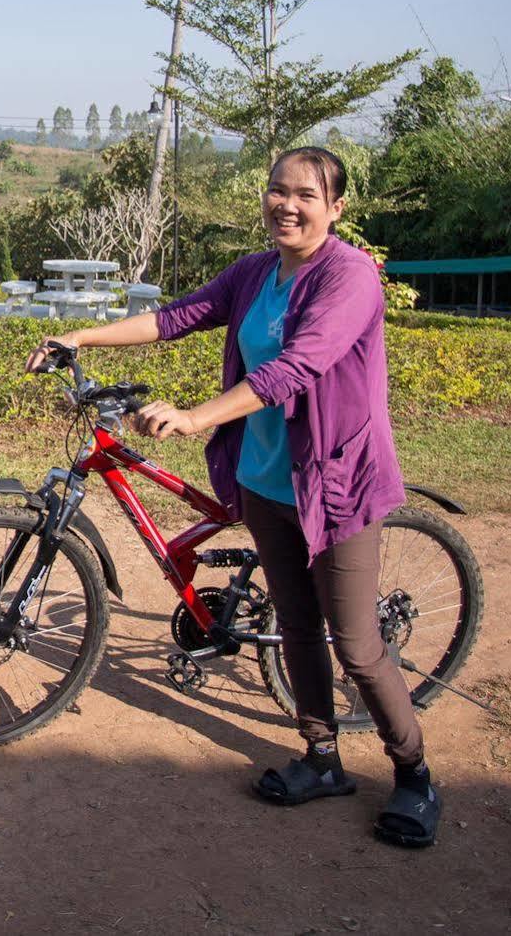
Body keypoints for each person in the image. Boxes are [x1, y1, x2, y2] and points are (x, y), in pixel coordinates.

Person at [24, 146, 442, 849]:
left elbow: (296, 367)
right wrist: (80, 333)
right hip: (264, 478)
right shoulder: (255, 272)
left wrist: (195, 416)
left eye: (305, 195)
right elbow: (176, 316)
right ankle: (320, 758)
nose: (286, 204)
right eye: (277, 191)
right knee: (298, 626)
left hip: (333, 484)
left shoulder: (349, 277)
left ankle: (415, 775)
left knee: (359, 647)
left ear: (335, 208)